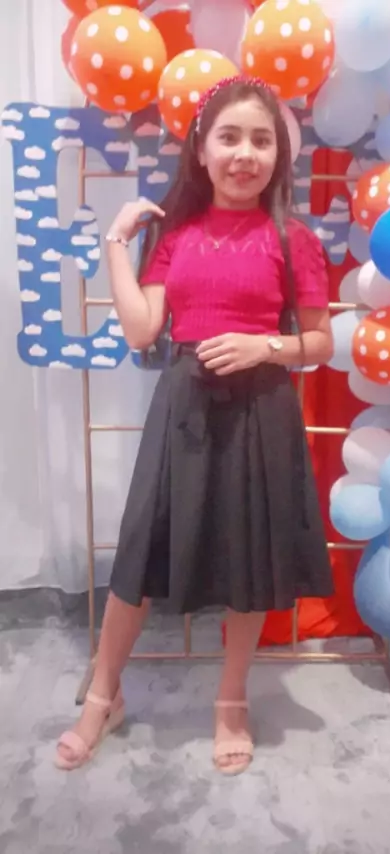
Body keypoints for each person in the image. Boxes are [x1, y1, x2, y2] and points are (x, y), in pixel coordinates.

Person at [55, 75, 334, 776]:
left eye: (261, 140)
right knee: (139, 554)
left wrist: (263, 345)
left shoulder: (294, 240)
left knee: (248, 559)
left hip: (261, 410)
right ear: (201, 151)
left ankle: (231, 702)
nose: (245, 154)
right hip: (183, 407)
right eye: (229, 137)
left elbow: (320, 343)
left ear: (278, 156)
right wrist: (117, 243)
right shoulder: (173, 237)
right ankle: (102, 697)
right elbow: (142, 329)